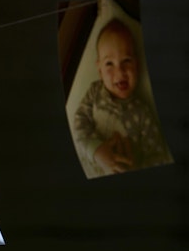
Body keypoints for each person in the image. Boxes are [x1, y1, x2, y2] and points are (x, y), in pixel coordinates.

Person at [73, 18, 170, 176]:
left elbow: (158, 155)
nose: (120, 72)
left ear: (137, 65)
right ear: (99, 69)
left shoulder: (142, 113)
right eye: (109, 64)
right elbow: (79, 124)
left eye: (126, 60)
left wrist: (135, 168)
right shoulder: (95, 92)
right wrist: (96, 150)